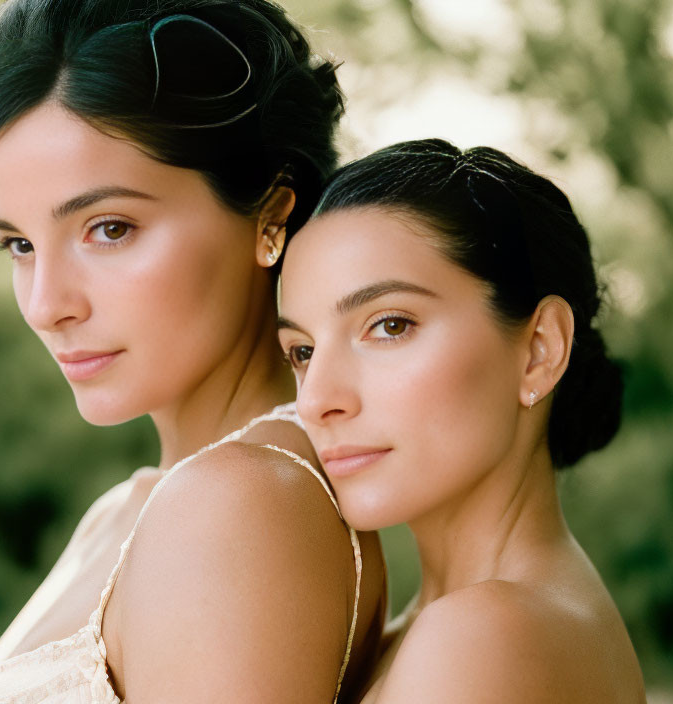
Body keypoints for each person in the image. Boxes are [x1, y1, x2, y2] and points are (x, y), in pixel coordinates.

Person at [0, 1, 386, 702]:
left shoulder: (241, 503)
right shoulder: (134, 508)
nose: (46, 304)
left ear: (271, 217)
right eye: (20, 246)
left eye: (109, 228)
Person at [276, 139, 647, 704]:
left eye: (390, 325)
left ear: (540, 349)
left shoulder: (485, 633)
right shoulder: (464, 625)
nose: (315, 401)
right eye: (301, 352)